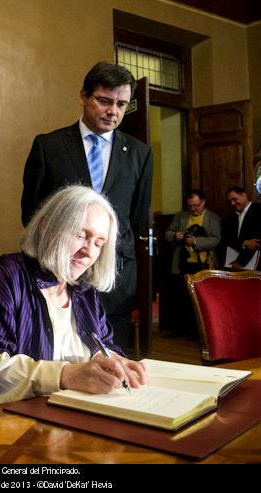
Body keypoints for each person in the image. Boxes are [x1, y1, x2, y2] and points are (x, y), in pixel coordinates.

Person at [0, 186, 147, 408]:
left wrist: (112, 361)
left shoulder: (84, 291)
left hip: (69, 419)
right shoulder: (9, 275)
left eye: (99, 243)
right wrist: (65, 375)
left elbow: (102, 346)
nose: (89, 252)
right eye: (82, 235)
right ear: (46, 227)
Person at [20, 62, 153, 351]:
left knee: (112, 358)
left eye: (121, 104)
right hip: (57, 272)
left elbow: (138, 218)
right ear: (83, 97)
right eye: (105, 101)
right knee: (58, 352)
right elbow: (31, 213)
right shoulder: (49, 146)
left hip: (115, 275)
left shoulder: (139, 153)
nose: (113, 111)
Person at [163, 189, 221, 338]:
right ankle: (182, 330)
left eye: (197, 205)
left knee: (202, 300)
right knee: (182, 298)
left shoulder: (213, 219)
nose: (194, 209)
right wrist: (176, 235)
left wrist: (195, 241)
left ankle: (200, 332)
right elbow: (167, 233)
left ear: (203, 202)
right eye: (191, 206)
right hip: (183, 264)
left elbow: (216, 240)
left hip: (204, 265)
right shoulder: (180, 217)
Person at [221, 186, 261, 273]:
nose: (232, 203)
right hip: (232, 265)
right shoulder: (229, 217)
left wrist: (240, 262)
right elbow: (225, 239)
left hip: (258, 266)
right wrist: (244, 242)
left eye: (234, 199)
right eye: (230, 201)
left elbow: (256, 243)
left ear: (244, 195)